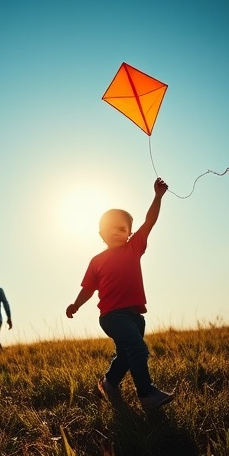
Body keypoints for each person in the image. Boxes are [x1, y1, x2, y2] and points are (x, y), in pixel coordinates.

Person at [66, 177, 174, 412]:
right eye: (111, 228)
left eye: (123, 228)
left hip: (136, 316)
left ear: (129, 233)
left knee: (126, 355)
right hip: (112, 316)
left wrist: (157, 197)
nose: (117, 232)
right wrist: (75, 304)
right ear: (101, 233)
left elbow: (149, 221)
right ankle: (146, 395)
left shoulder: (134, 247)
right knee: (138, 349)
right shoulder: (97, 261)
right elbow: (88, 288)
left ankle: (108, 383)